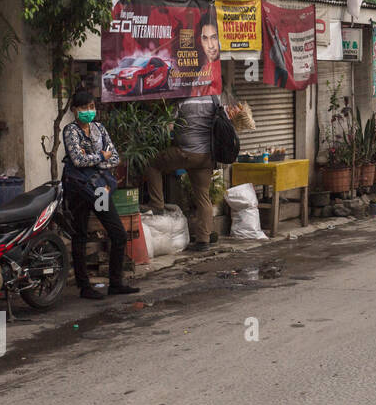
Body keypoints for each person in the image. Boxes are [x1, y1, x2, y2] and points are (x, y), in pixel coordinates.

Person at [61, 88, 137, 298]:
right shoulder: (70, 131)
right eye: (84, 107)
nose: (89, 111)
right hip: (78, 189)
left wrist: (95, 158)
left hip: (100, 188)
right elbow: (77, 160)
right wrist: (101, 156)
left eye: (91, 107)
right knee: (80, 235)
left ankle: (115, 282)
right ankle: (84, 287)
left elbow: (114, 158)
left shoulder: (100, 129)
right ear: (75, 110)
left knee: (118, 233)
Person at [145, 92, 243, 251]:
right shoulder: (213, 98)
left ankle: (157, 204)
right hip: (206, 156)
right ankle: (203, 240)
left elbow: (167, 126)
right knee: (203, 197)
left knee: (151, 164)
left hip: (185, 153)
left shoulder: (182, 99)